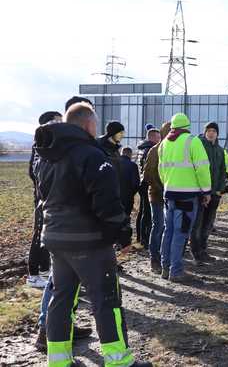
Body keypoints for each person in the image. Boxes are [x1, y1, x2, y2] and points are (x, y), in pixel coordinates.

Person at [35, 102, 150, 366]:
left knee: (61, 300)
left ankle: (59, 361)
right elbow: (107, 203)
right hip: (90, 242)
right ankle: (119, 361)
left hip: (56, 239)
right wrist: (121, 234)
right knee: (106, 300)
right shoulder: (92, 156)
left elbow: (43, 196)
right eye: (95, 124)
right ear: (89, 124)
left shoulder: (48, 155)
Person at [33, 99, 93, 352]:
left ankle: (62, 325)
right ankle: (46, 329)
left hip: (60, 220)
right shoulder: (50, 146)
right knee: (57, 283)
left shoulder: (58, 146)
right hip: (59, 221)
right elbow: (41, 180)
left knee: (65, 283)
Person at [158, 113, 212, 282]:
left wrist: (169, 185)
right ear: (188, 126)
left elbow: (161, 171)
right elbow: (202, 169)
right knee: (181, 234)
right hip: (187, 197)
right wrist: (206, 191)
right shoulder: (192, 141)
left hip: (169, 194)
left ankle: (165, 268)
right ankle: (176, 271)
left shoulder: (164, 144)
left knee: (169, 232)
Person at [26, 111, 62, 289]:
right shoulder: (39, 144)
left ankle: (44, 269)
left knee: (47, 234)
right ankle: (33, 274)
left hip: (49, 197)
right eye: (57, 121)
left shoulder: (51, 144)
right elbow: (33, 172)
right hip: (42, 198)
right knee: (39, 232)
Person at [190, 122, 226, 264]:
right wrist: (202, 190)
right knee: (197, 224)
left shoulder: (219, 150)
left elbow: (223, 170)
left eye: (214, 131)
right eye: (209, 131)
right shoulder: (199, 146)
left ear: (217, 134)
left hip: (215, 193)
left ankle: (203, 250)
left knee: (208, 224)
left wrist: (219, 189)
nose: (211, 133)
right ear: (205, 132)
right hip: (201, 194)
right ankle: (196, 253)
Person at [142, 122, 171, 273]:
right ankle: (154, 258)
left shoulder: (173, 150)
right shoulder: (155, 151)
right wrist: (161, 187)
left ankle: (165, 256)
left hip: (171, 196)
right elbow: (147, 175)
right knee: (158, 226)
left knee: (168, 227)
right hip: (157, 196)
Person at [136, 128, 161, 248]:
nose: (159, 140)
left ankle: (141, 237)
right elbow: (149, 170)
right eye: (158, 137)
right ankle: (145, 239)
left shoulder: (143, 148)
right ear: (152, 137)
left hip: (142, 183)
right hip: (147, 183)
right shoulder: (149, 150)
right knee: (147, 213)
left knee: (143, 211)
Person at [119, 147, 141, 221]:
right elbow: (136, 184)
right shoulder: (133, 166)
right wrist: (132, 193)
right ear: (130, 154)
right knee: (125, 219)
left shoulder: (114, 163)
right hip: (127, 197)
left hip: (115, 197)